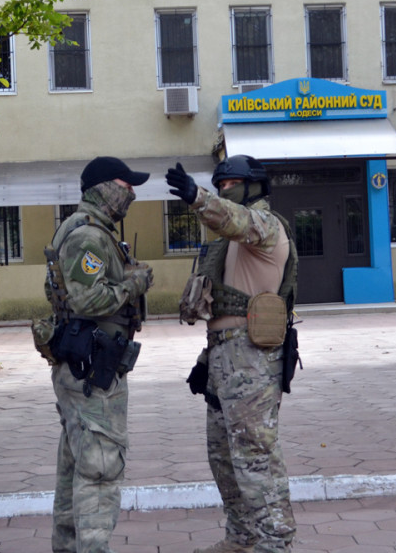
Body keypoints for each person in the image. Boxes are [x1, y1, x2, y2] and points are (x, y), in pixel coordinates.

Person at [166, 155, 296, 553]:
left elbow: (233, 219)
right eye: (220, 186)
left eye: (232, 184)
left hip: (252, 358)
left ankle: (276, 543)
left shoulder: (264, 226)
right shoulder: (231, 242)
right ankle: (242, 538)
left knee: (255, 456)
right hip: (224, 354)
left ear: (254, 186)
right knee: (223, 456)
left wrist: (198, 197)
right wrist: (206, 362)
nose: (225, 191)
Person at [45, 156, 154, 553]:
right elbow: (88, 299)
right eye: (126, 186)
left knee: (77, 465)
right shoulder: (88, 236)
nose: (132, 193)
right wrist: (134, 284)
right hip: (93, 370)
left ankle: (69, 546)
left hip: (86, 365)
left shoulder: (90, 229)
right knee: (101, 468)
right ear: (104, 188)